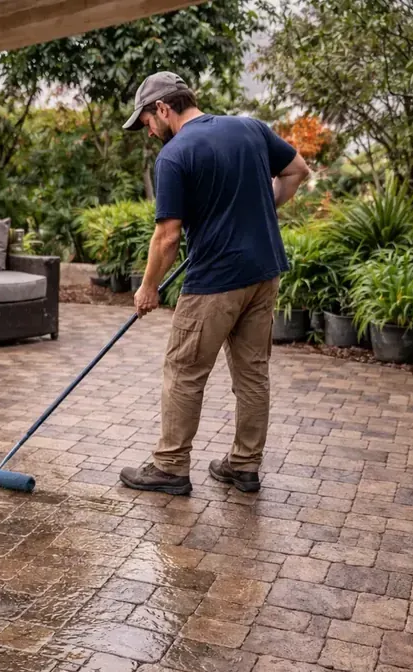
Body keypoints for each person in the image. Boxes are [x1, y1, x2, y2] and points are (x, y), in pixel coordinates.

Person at [119, 71, 310, 496]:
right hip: (264, 274)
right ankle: (243, 466)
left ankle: (169, 467)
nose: (148, 131)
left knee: (185, 370)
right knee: (253, 374)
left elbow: (167, 236)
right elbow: (297, 170)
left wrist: (148, 287)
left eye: (147, 121)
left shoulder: (174, 155)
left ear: (164, 108)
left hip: (215, 282)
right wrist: (263, 206)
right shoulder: (250, 128)